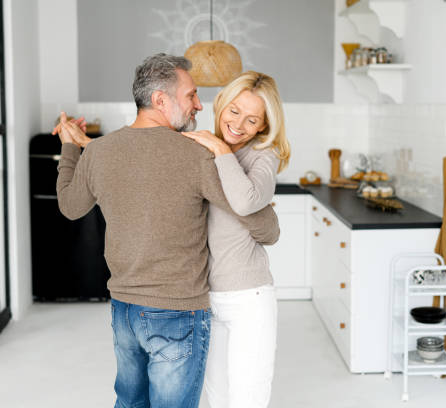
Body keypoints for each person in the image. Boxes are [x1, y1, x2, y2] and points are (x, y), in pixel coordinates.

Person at [54, 54, 280, 408]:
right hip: (177, 310)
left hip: (124, 309)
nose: (198, 105)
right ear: (161, 100)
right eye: (191, 96)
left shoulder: (99, 151)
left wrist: (72, 146)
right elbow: (260, 223)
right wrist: (268, 217)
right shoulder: (196, 155)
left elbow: (70, 206)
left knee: (130, 402)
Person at [181, 71, 290, 408]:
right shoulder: (198, 149)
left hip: (248, 297)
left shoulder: (263, 156)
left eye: (252, 119)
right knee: (216, 396)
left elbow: (244, 201)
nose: (240, 124)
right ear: (222, 106)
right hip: (204, 296)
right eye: (234, 111)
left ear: (263, 126)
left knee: (247, 397)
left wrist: (219, 149)